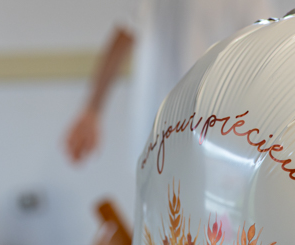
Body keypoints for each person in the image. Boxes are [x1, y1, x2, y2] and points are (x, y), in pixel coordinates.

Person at [66, 0, 273, 164]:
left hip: (211, 139)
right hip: (153, 135)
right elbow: (127, 30)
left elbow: (265, 48)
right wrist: (92, 109)